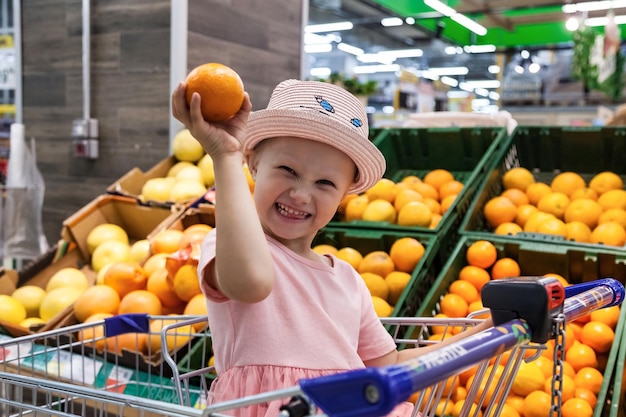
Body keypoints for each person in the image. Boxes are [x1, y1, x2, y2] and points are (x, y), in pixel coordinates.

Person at [171, 78, 493, 417]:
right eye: (288, 170)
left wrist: (485, 337)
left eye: (325, 183)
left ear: (344, 196)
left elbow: (389, 365)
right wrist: (225, 157)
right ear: (253, 164)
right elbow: (252, 281)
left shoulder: (348, 281)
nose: (301, 194)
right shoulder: (228, 244)